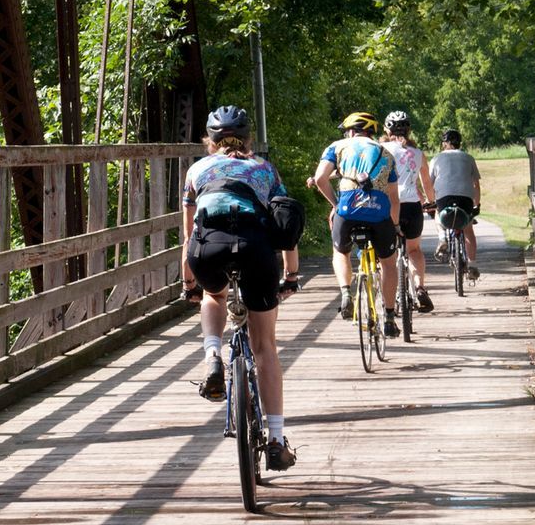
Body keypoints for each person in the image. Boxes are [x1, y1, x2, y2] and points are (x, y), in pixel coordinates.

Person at [182, 104, 301, 471]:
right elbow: (283, 223)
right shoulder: (265, 170)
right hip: (255, 250)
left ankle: (213, 355)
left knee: (213, 294)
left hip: (208, 249)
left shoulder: (196, 170)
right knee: (264, 347)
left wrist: (190, 281)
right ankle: (277, 442)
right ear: (249, 139)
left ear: (210, 140)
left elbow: (188, 233)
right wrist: (291, 275)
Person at [311, 111, 402, 338]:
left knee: (340, 252)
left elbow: (321, 179)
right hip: (378, 213)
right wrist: (396, 225)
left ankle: (345, 293)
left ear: (351, 131)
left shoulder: (337, 146)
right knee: (389, 264)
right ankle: (389, 317)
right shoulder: (386, 153)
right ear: (371, 131)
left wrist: (335, 204)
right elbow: (393, 197)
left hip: (347, 210)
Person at [381, 110, 435, 313]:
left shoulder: (381, 149)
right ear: (408, 129)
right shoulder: (418, 153)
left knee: (386, 256)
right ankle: (420, 287)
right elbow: (427, 182)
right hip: (412, 207)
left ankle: (389, 299)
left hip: (388, 207)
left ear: (387, 129)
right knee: (414, 250)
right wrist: (431, 202)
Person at [430, 128, 482, 282]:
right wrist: (476, 205)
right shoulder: (469, 158)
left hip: (444, 197)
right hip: (465, 198)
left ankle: (442, 239)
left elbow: (430, 183)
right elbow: (476, 185)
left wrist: (432, 202)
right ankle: (472, 264)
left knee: (438, 214)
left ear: (444, 143)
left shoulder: (436, 158)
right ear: (459, 143)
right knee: (468, 229)